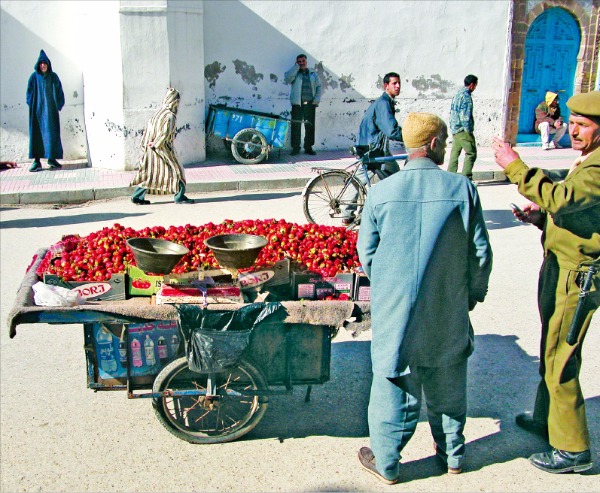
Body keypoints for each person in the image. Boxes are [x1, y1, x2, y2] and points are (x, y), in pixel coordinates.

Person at [357, 112, 493, 484]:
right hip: (447, 303)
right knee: (448, 373)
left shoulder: (381, 192)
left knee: (393, 380)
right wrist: (471, 295)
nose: (446, 145)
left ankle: (386, 463)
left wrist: (390, 288)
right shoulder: (461, 189)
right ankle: (452, 455)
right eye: (444, 141)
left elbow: (367, 252)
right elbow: (480, 254)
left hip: (396, 308)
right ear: (433, 144)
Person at [492, 90, 600, 474]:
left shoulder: (598, 169)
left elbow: (563, 198)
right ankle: (547, 419)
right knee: (550, 347)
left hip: (577, 277)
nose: (574, 130)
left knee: (560, 357)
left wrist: (516, 166)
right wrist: (541, 220)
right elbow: (576, 217)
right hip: (560, 265)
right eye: (572, 123)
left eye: (584, 125)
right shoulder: (587, 160)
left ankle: (574, 450)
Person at [344, 72, 404, 225]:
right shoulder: (384, 103)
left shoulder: (385, 102)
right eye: (394, 83)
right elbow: (391, 130)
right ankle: (395, 212)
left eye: (399, 83)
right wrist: (410, 137)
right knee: (396, 178)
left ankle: (349, 213)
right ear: (386, 86)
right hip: (374, 148)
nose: (397, 86)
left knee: (360, 179)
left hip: (369, 146)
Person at [130, 88, 193, 205]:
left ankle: (137, 196)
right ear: (175, 101)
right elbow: (165, 133)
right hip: (162, 148)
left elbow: (148, 129)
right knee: (177, 171)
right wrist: (156, 144)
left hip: (150, 148)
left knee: (150, 173)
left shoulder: (159, 112)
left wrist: (147, 144)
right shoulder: (170, 116)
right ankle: (179, 196)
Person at [26, 50, 65, 173]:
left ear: (48, 64)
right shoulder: (33, 77)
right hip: (37, 114)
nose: (43, 65)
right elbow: (29, 93)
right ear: (38, 65)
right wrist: (32, 106)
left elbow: (59, 92)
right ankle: (36, 161)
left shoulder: (53, 77)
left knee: (52, 134)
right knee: (37, 136)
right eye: (41, 63)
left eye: (45, 63)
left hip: (51, 113)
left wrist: (58, 105)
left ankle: (51, 159)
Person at [284, 54, 322, 156]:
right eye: (299, 61)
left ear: (306, 61)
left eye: (303, 61)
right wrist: (296, 67)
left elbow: (319, 87)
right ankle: (295, 148)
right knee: (296, 126)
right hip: (297, 104)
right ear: (297, 63)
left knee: (310, 126)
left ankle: (308, 147)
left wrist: (316, 100)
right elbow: (287, 79)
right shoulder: (295, 73)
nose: (301, 63)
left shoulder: (313, 74)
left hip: (310, 104)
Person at [448, 74, 478, 180]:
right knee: (471, 153)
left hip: (455, 128)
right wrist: (469, 131)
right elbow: (465, 116)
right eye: (475, 85)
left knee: (455, 153)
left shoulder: (458, 94)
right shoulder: (466, 97)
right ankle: (467, 176)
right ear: (472, 85)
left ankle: (450, 175)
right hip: (462, 130)